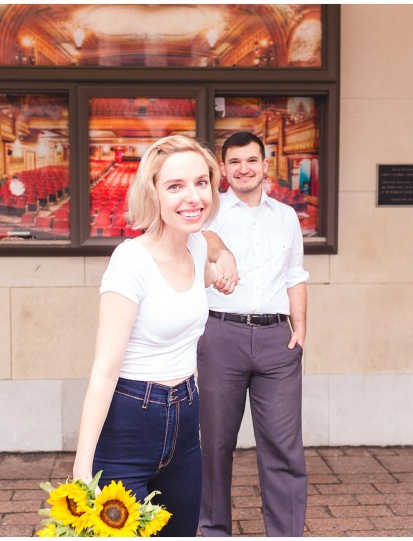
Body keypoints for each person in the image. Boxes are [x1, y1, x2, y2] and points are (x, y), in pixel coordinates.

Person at [72, 135, 236, 537]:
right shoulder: (131, 262)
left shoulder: (196, 248)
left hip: (186, 417)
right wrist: (82, 465)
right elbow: (104, 370)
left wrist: (224, 253)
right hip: (130, 420)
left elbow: (211, 255)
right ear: (154, 193)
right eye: (175, 186)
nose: (192, 197)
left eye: (201, 182)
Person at [199, 131, 309, 537]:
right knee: (214, 445)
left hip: (277, 340)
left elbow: (295, 273)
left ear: (265, 166)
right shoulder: (209, 214)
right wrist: (219, 247)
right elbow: (202, 239)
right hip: (221, 336)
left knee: (283, 447)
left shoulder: (286, 217)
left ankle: (286, 533)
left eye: (251, 160)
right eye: (234, 162)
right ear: (224, 170)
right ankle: (213, 531)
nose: (243, 168)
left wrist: (299, 327)